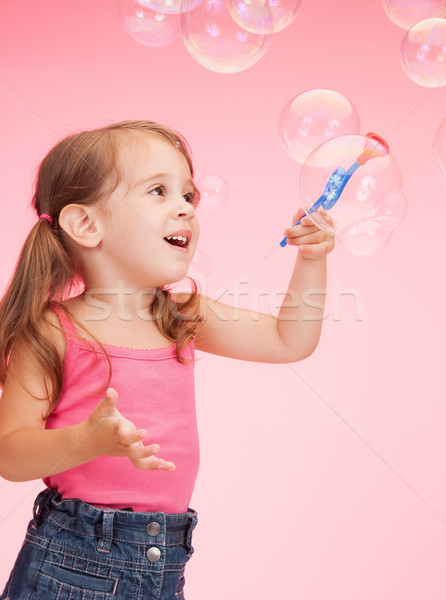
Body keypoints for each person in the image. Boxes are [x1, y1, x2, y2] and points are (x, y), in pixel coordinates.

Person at [0, 119, 335, 599]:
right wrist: (86, 440)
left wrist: (312, 259)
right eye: (159, 191)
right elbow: (8, 454)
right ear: (86, 225)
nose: (184, 209)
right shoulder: (54, 331)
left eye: (189, 196)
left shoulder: (183, 317)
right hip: (73, 564)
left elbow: (288, 340)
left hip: (165, 559)